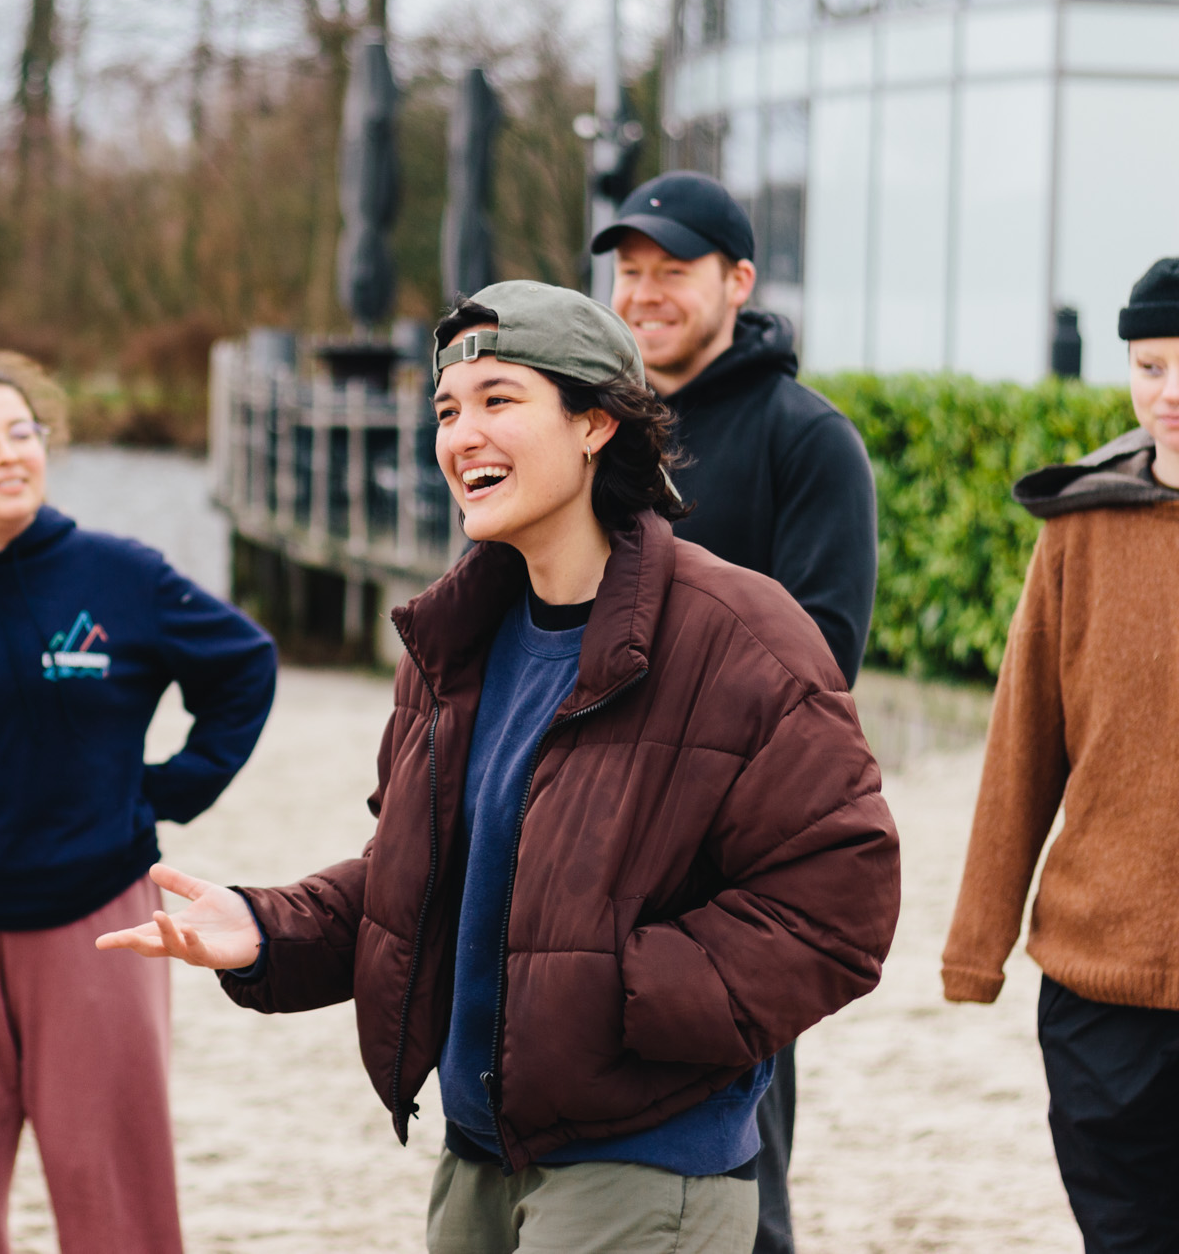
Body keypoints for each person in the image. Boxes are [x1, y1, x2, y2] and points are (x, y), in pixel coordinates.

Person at [100, 281, 900, 1254]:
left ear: (596, 422)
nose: (461, 435)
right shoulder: (452, 640)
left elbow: (839, 904)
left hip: (647, 1171)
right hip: (476, 1155)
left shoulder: (740, 634)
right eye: (446, 410)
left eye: (498, 400)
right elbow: (428, 883)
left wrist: (618, 987)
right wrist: (267, 925)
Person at [0, 349, 278, 1254]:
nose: (7, 452)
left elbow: (245, 665)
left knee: (116, 1192)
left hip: (95, 916)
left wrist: (168, 788)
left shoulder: (119, 574)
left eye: (23, 432)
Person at [593, 170, 879, 1254]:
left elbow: (821, 660)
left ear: (739, 281)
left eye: (672, 270)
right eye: (629, 271)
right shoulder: (592, 431)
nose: (643, 293)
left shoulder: (808, 439)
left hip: (728, 862)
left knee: (738, 1167)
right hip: (582, 839)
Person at [941, 258, 1179, 1254]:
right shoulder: (1078, 529)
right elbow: (1022, 742)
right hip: (1096, 993)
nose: (1169, 394)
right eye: (1149, 366)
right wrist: (975, 943)